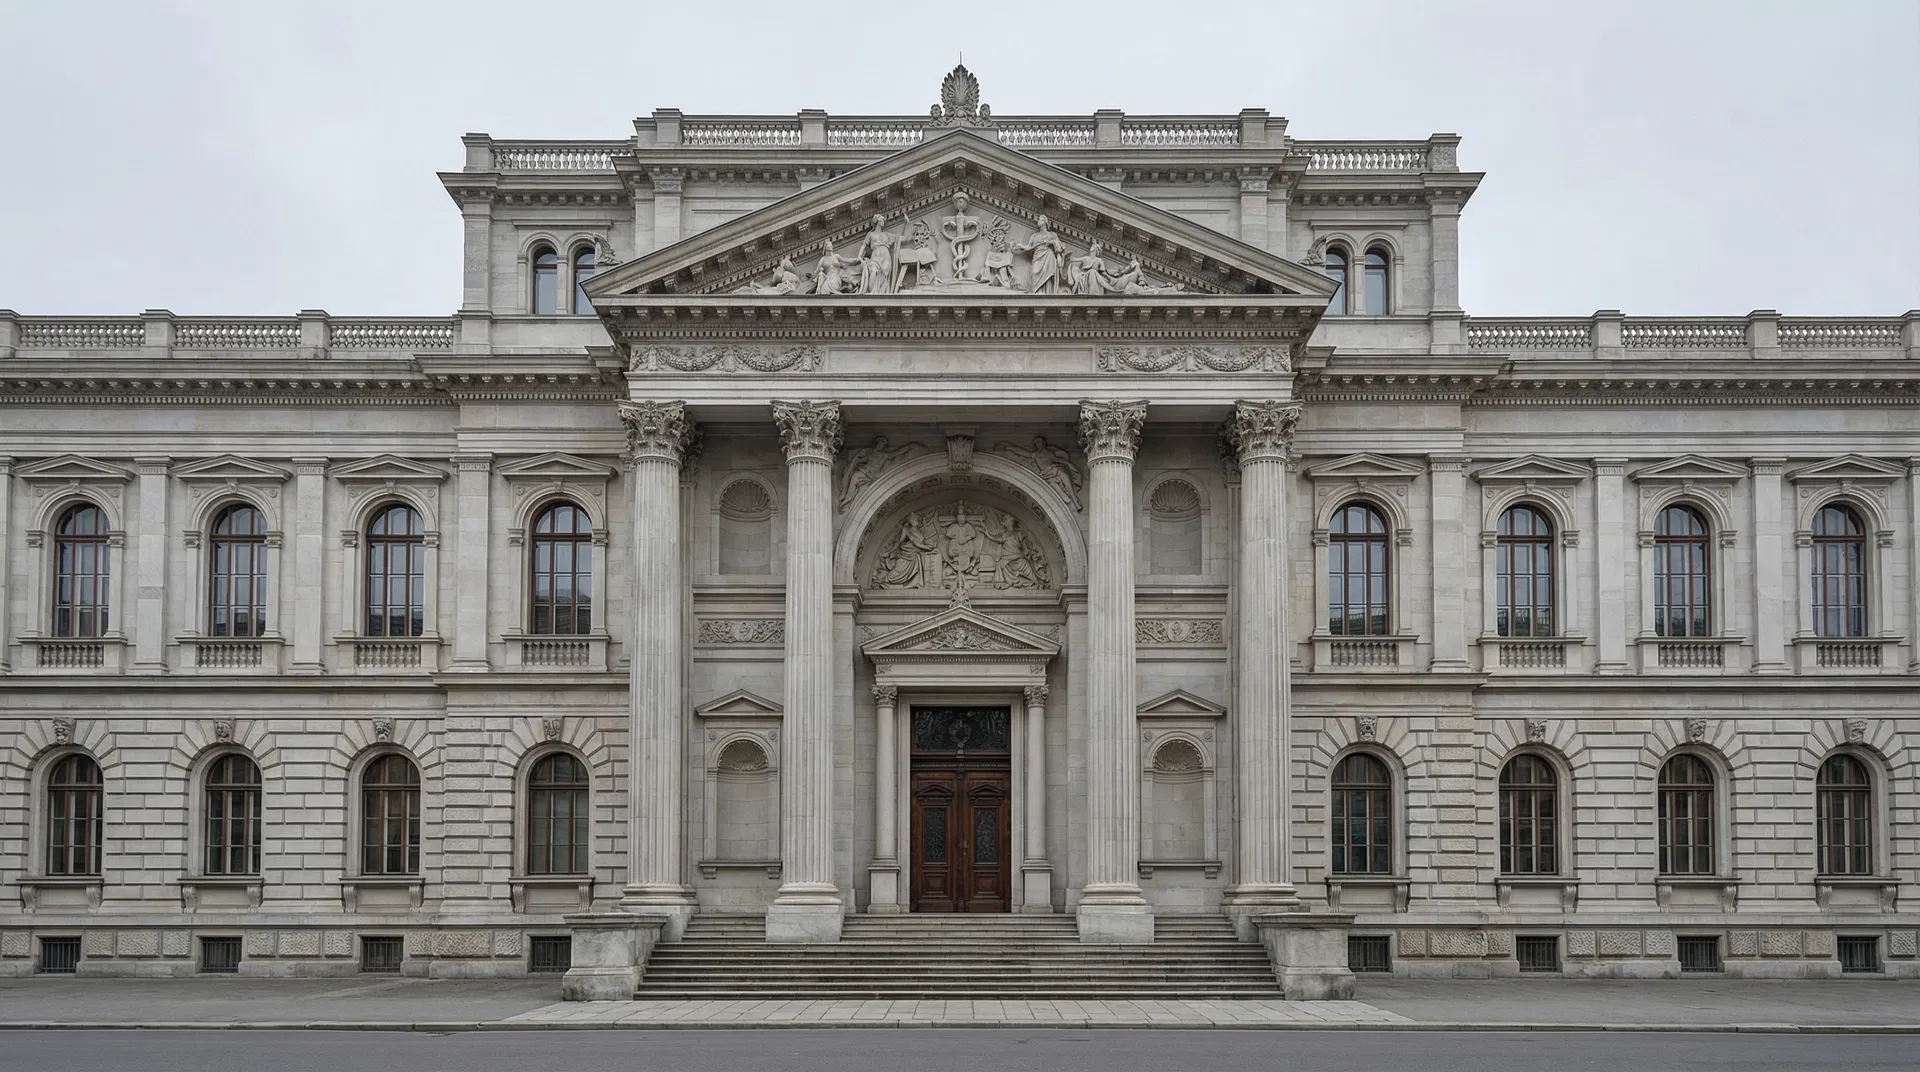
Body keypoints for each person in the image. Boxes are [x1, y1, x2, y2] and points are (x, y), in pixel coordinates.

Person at [1015, 215, 1065, 294]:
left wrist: (1052, 242)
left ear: (1045, 222)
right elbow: (1029, 246)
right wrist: (1022, 247)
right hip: (1037, 256)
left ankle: (1047, 293)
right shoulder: (1035, 236)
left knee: (1047, 274)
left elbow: (1059, 245)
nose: (1038, 221)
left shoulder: (1052, 235)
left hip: (1048, 256)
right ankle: (1036, 292)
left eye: (1040, 219)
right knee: (1034, 273)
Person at [855, 214, 899, 294]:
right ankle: (872, 293)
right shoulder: (870, 234)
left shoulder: (886, 234)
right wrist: (859, 257)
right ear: (877, 222)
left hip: (886, 257)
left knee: (884, 276)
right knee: (873, 270)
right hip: (875, 255)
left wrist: (907, 224)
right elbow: (863, 246)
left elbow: (900, 238)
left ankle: (880, 292)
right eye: (881, 220)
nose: (883, 222)